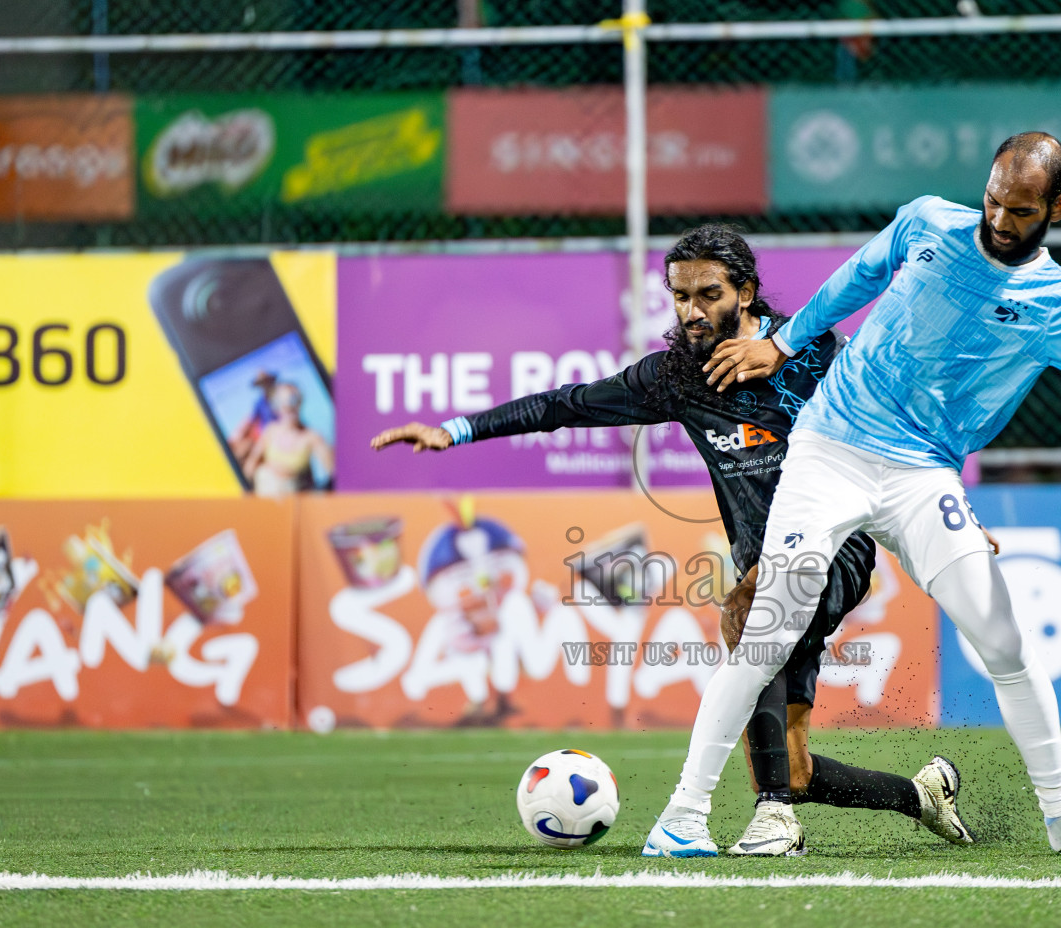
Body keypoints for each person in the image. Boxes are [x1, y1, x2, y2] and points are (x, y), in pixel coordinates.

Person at [642, 132, 1061, 859]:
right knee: (770, 629)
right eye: (993, 200)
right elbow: (857, 276)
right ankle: (682, 819)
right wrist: (787, 343)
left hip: (923, 475)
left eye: (1019, 210)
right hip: (831, 451)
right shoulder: (927, 222)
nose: (1000, 220)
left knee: (1005, 641)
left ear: (1057, 208)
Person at [371, 224, 975, 857]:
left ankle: (774, 822)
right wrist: (457, 430)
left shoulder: (811, 353)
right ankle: (920, 797)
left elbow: (893, 423)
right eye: (680, 295)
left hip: (839, 547)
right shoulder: (678, 378)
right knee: (792, 766)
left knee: (750, 610)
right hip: (761, 565)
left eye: (708, 294)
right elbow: (566, 405)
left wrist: (940, 501)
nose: (691, 311)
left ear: (745, 291)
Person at [244, 383, 334, 496]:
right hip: (264, 487)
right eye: (281, 401)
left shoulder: (311, 437)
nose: (287, 406)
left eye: (292, 400)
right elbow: (251, 464)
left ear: (300, 402)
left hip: (291, 495)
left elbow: (332, 470)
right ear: (275, 405)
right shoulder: (270, 430)